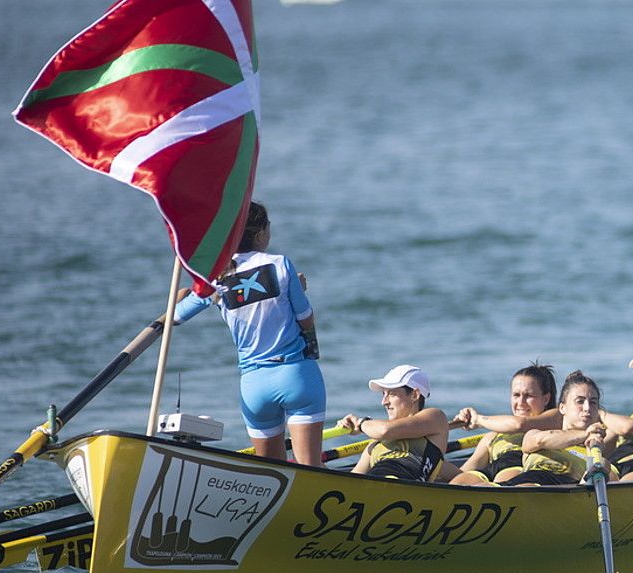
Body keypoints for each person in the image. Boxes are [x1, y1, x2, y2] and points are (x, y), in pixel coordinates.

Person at [172, 201, 326, 466]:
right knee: (311, 469)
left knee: (272, 476)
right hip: (296, 376)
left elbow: (175, 317)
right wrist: (298, 289)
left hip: (254, 388)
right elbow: (305, 321)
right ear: (260, 234)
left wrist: (183, 295)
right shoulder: (280, 264)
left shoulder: (216, 278)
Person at [337, 365, 456, 482]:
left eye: (392, 394)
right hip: (376, 486)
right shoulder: (375, 443)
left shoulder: (436, 417)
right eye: (383, 394)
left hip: (405, 487)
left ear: (414, 395)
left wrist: (361, 423)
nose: (384, 402)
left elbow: (385, 430)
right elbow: (349, 482)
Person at [451, 362, 562, 486]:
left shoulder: (557, 418)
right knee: (458, 482)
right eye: (516, 395)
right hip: (487, 472)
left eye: (528, 395)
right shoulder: (492, 436)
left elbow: (519, 424)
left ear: (546, 399)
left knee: (489, 487)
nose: (520, 402)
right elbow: (463, 471)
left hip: (519, 470)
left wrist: (477, 420)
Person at [507, 371, 615, 486]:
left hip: (570, 490)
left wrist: (596, 458)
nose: (587, 408)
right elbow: (539, 440)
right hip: (529, 483)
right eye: (580, 401)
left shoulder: (600, 460)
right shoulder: (534, 435)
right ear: (562, 408)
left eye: (593, 403)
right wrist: (585, 435)